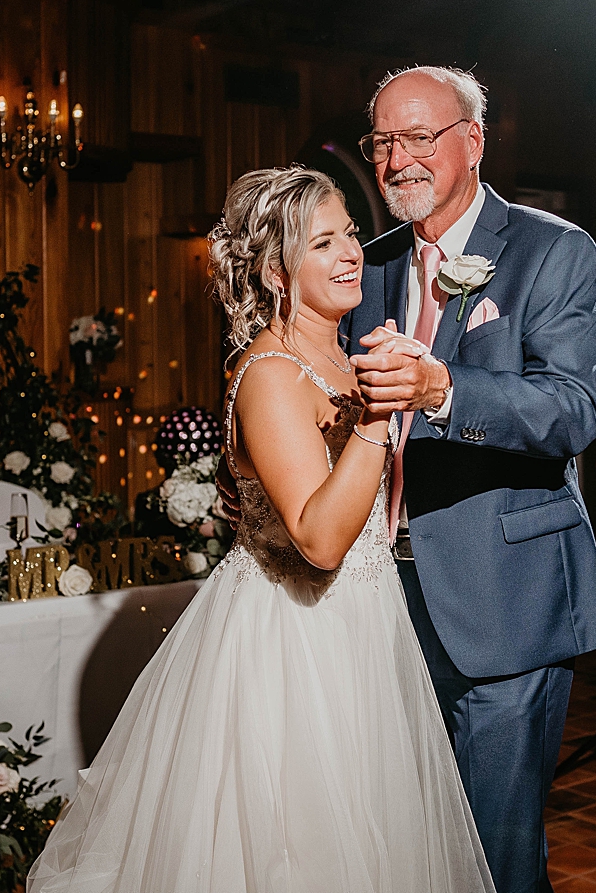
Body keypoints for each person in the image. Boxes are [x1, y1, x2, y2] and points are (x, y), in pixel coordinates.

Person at [27, 168, 494, 892]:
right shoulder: (272, 373)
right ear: (277, 270)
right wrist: (377, 415)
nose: (349, 254)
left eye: (350, 234)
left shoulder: (343, 355)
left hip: (363, 631)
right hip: (290, 643)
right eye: (323, 243)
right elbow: (319, 539)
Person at [343, 66, 596, 893]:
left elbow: (572, 412)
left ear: (472, 140)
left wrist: (446, 389)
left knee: (496, 855)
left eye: (418, 137)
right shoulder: (373, 263)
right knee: (410, 843)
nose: (397, 160)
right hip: (382, 597)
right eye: (383, 141)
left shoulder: (552, 249)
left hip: (507, 600)